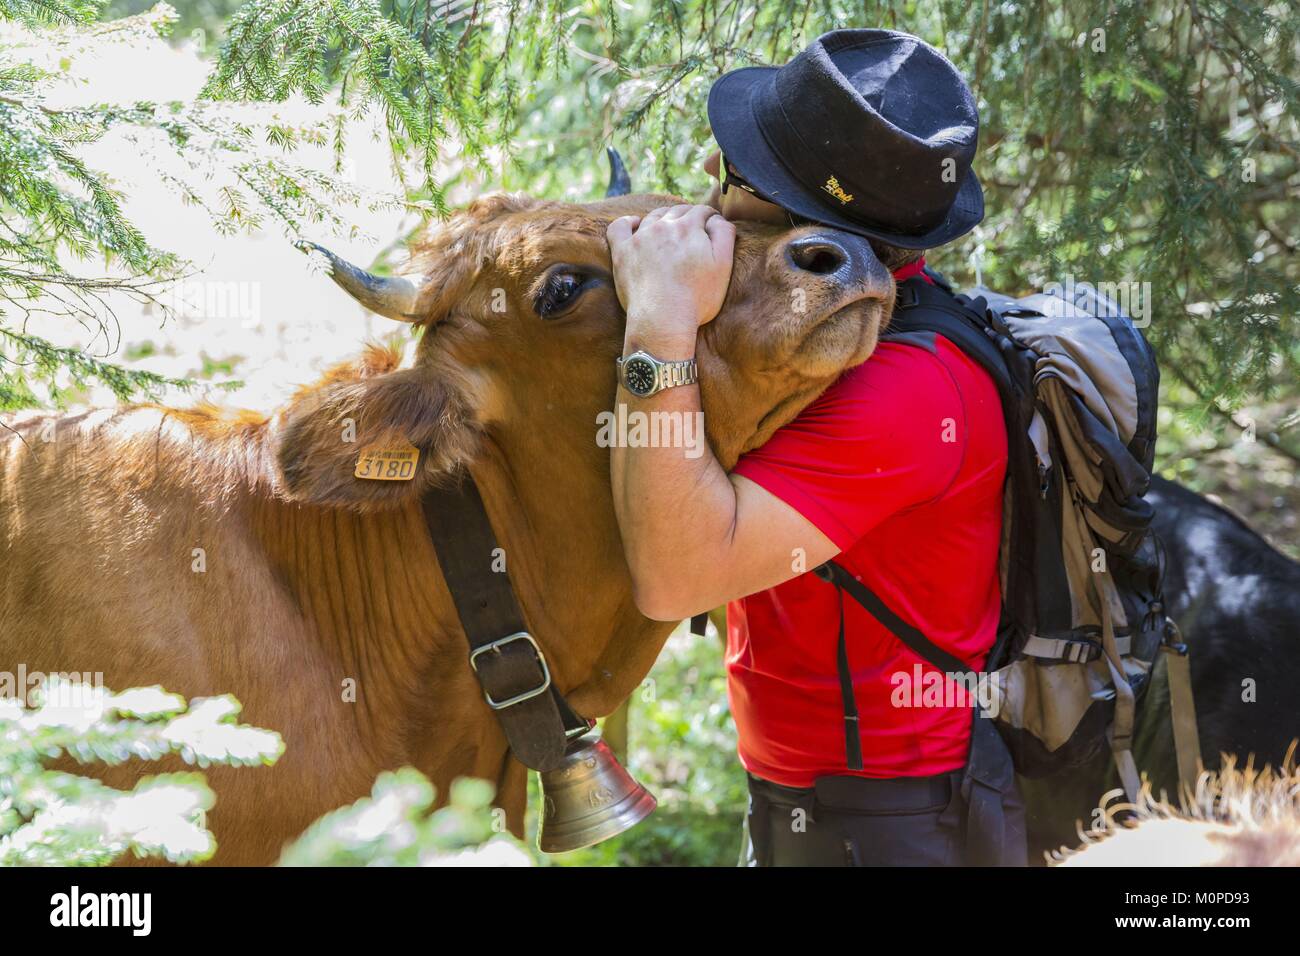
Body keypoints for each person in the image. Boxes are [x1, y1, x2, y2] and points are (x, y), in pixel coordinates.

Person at [606, 28, 1027, 866]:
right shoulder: (836, 340)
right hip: (819, 803)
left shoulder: (904, 394)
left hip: (886, 827)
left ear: (813, 240)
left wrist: (659, 321)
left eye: (734, 177)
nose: (711, 191)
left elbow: (675, 576)